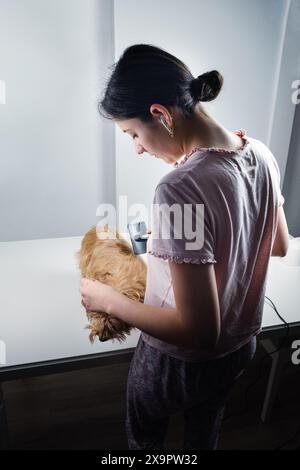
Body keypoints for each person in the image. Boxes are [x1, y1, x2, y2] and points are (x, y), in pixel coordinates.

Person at [79, 44, 290, 450]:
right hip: (241, 348)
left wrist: (106, 300)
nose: (138, 147)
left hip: (177, 364)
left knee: (145, 436)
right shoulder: (261, 154)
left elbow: (199, 331)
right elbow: (278, 244)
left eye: (134, 134)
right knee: (203, 431)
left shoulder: (180, 187)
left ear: (160, 114)